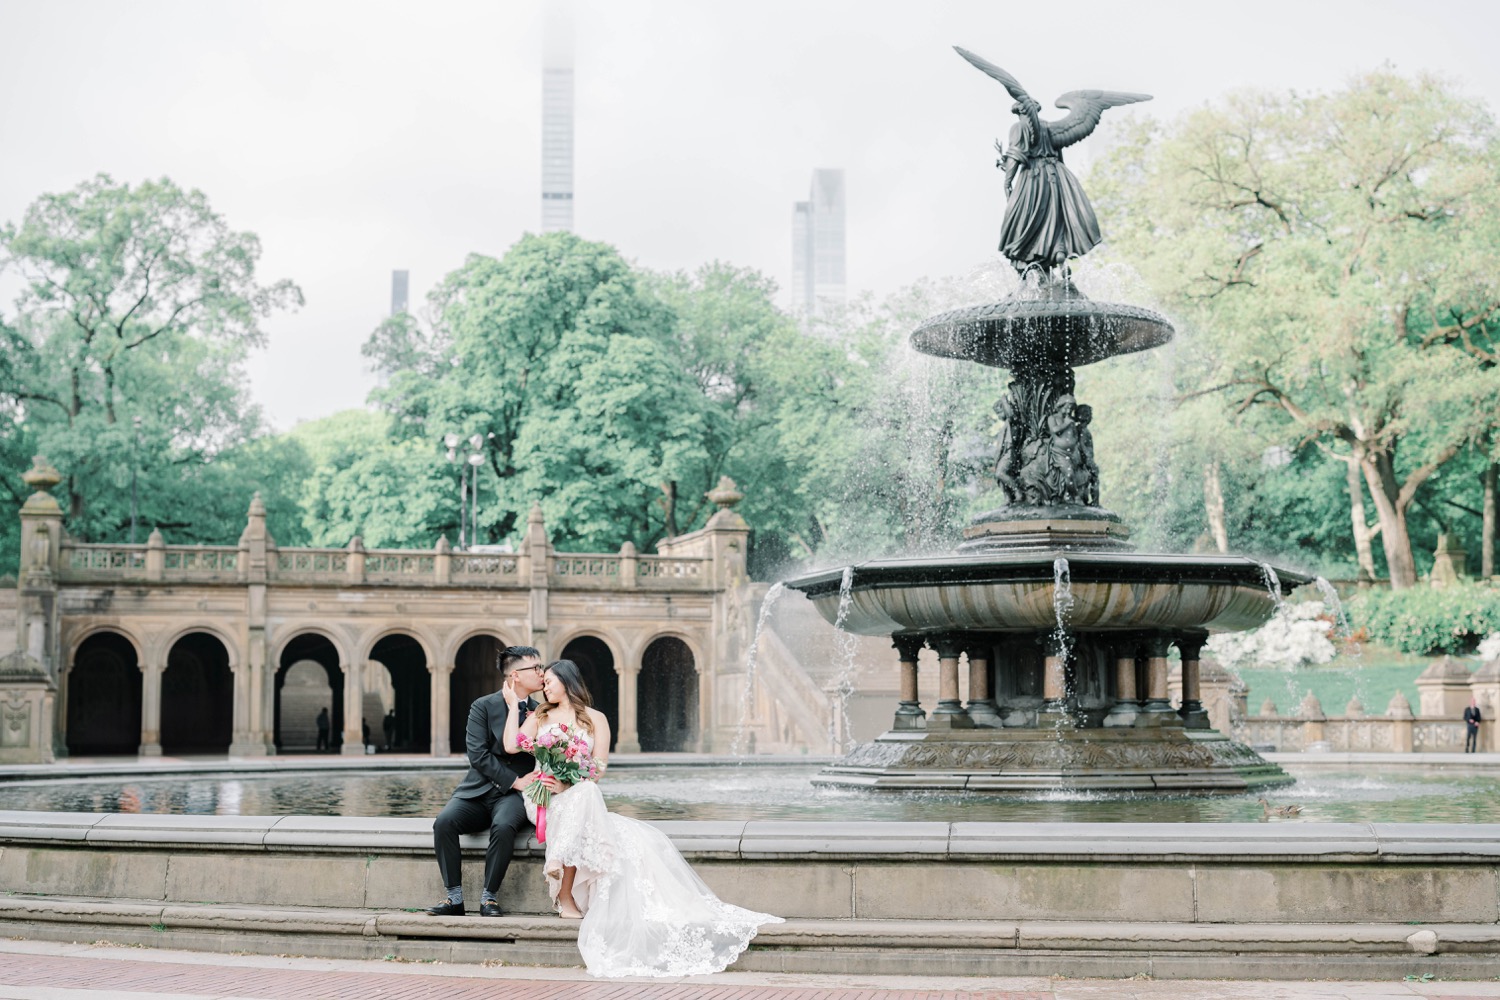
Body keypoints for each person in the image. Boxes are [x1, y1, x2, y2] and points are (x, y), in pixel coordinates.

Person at [503, 659, 781, 977]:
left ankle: (569, 892)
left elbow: (599, 769)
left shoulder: (595, 719)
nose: (545, 686)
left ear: (567, 681)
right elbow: (512, 746)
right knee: (590, 801)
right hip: (545, 797)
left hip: (579, 794)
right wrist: (513, 707)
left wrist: (570, 779)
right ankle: (565, 893)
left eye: (550, 680)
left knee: (634, 830)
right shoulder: (541, 716)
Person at [425, 644, 545, 917]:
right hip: (478, 791)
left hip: (514, 797)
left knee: (503, 827)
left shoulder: (542, 711)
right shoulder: (483, 706)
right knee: (444, 822)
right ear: (515, 675)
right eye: (535, 668)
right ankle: (454, 898)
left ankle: (489, 898)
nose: (541, 673)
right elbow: (477, 755)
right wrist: (514, 780)